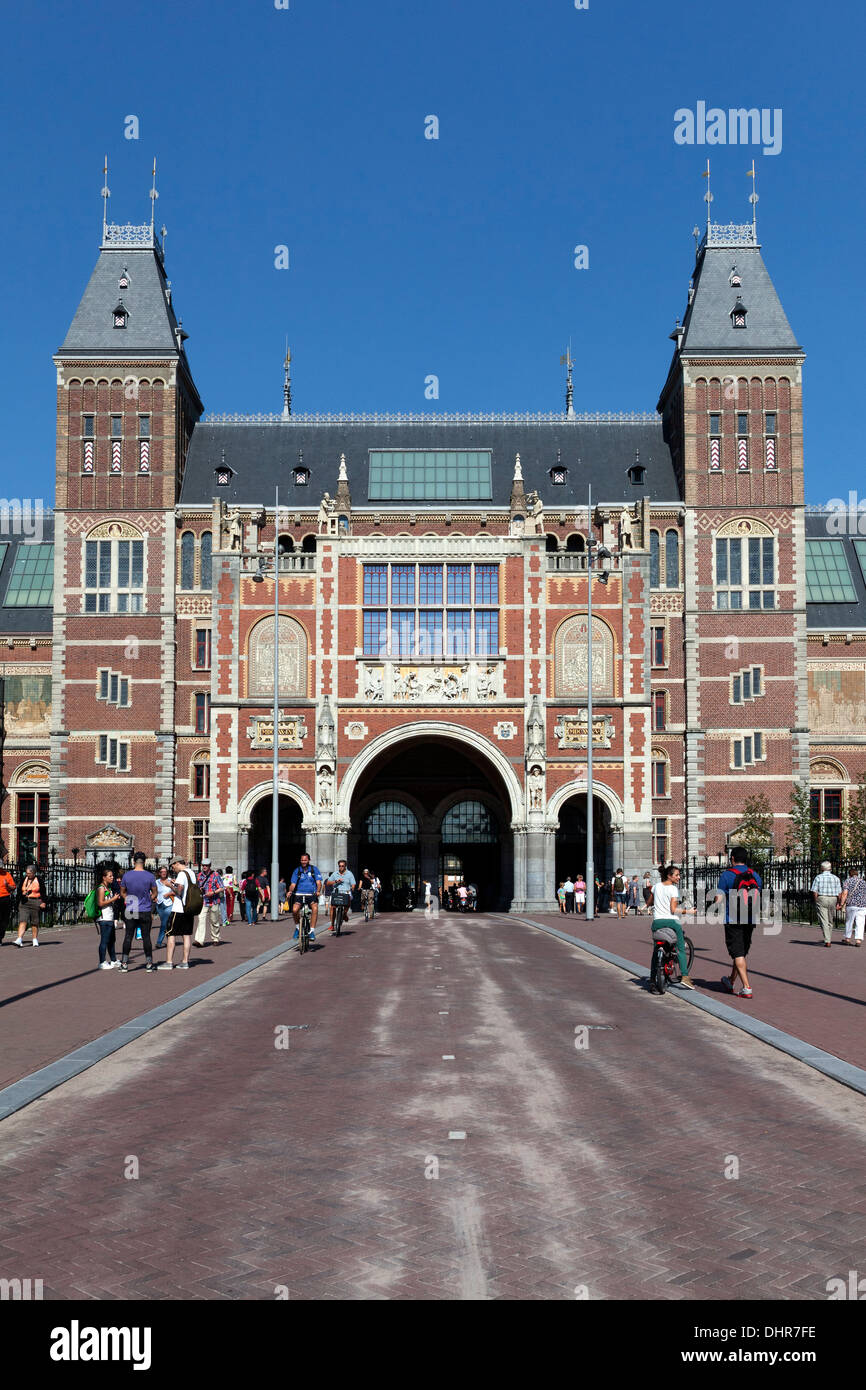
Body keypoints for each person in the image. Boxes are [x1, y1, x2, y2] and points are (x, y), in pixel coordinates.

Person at [714, 848, 763, 997]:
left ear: (732, 858)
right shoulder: (754, 875)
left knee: (738, 952)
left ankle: (747, 988)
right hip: (750, 918)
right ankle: (731, 980)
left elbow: (719, 899)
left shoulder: (727, 875)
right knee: (740, 952)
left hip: (733, 918)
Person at [651, 864, 696, 991]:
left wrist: (651, 905)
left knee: (655, 951)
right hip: (672, 922)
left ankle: (652, 980)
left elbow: (649, 902)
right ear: (669, 876)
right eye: (676, 875)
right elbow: (673, 909)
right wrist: (689, 911)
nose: (679, 877)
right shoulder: (673, 889)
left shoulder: (656, 887)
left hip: (657, 922)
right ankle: (685, 977)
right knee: (681, 949)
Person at [120, 851, 158, 972]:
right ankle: (149, 963)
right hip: (145, 909)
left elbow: (122, 892)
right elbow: (155, 893)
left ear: (133, 861)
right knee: (146, 937)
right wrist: (148, 899)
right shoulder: (150, 876)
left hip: (131, 907)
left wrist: (129, 899)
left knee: (128, 936)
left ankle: (124, 963)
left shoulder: (127, 875)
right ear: (144, 861)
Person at [158, 857, 196, 970]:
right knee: (186, 935)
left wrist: (170, 886)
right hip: (189, 908)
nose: (172, 868)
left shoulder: (182, 874)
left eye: (173, 866)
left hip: (179, 909)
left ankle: (169, 962)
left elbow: (179, 891)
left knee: (171, 934)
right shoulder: (191, 873)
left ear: (177, 863)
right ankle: (185, 961)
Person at [288, 853, 322, 942]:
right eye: (302, 860)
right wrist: (290, 891)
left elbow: (318, 883)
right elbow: (293, 884)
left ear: (308, 860)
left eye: (305, 860)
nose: (303, 862)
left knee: (315, 908)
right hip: (299, 894)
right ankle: (297, 928)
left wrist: (318, 891)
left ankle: (312, 931)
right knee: (295, 910)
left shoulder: (314, 870)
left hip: (311, 895)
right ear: (300, 860)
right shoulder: (297, 871)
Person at [810, 861, 843, 948]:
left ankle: (827, 940)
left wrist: (816, 900)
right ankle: (829, 938)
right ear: (830, 868)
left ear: (822, 868)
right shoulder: (836, 878)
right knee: (830, 920)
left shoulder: (818, 877)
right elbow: (839, 892)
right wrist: (839, 902)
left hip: (822, 898)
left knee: (823, 919)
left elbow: (814, 891)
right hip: (833, 898)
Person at [95, 865, 121, 970]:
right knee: (104, 941)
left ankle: (113, 960)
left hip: (109, 917)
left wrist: (113, 899)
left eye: (112, 876)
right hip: (104, 918)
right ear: (104, 877)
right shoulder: (101, 888)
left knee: (111, 940)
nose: (112, 878)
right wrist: (113, 899)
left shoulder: (108, 888)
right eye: (110, 876)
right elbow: (100, 903)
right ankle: (102, 961)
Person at [194, 859, 224, 946]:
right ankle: (199, 940)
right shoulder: (199, 876)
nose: (204, 867)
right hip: (203, 901)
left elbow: (222, 887)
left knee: (214, 921)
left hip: (214, 901)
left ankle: (216, 938)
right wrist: (199, 889)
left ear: (210, 866)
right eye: (203, 865)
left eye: (206, 865)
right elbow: (196, 888)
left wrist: (213, 892)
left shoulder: (216, 875)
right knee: (201, 919)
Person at [15, 863, 45, 946]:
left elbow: (43, 892)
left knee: (34, 922)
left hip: (35, 902)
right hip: (24, 903)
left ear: (34, 873)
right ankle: (19, 939)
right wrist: (21, 897)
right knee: (22, 920)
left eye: (29, 873)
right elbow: (19, 892)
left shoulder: (39, 880)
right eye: (26, 873)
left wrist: (43, 902)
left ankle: (35, 939)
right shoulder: (23, 879)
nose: (27, 875)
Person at [326, 860, 356, 932]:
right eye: (340, 866)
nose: (341, 867)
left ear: (345, 866)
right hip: (336, 892)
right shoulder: (335, 874)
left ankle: (344, 914)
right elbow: (328, 883)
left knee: (348, 900)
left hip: (346, 891)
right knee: (332, 907)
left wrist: (352, 888)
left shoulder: (349, 874)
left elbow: (353, 883)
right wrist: (336, 881)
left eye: (342, 866)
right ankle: (332, 925)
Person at [839, 869, 866, 947]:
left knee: (849, 921)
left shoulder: (848, 881)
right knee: (860, 923)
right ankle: (858, 940)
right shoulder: (863, 882)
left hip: (851, 904)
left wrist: (841, 903)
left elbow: (845, 893)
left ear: (849, 874)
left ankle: (847, 938)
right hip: (862, 905)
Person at [154, 865, 173, 948]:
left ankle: (159, 942)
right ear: (159, 873)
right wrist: (154, 898)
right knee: (165, 923)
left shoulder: (170, 881)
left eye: (165, 872)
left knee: (164, 923)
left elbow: (177, 891)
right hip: (159, 905)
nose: (164, 873)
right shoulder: (156, 882)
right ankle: (169, 937)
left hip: (169, 904)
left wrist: (169, 893)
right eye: (162, 872)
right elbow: (151, 892)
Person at [0, 859, 17, 943]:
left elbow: (13, 887)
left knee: (5, 919)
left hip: (5, 898)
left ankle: (0, 936)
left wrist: (7, 885)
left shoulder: (7, 874)